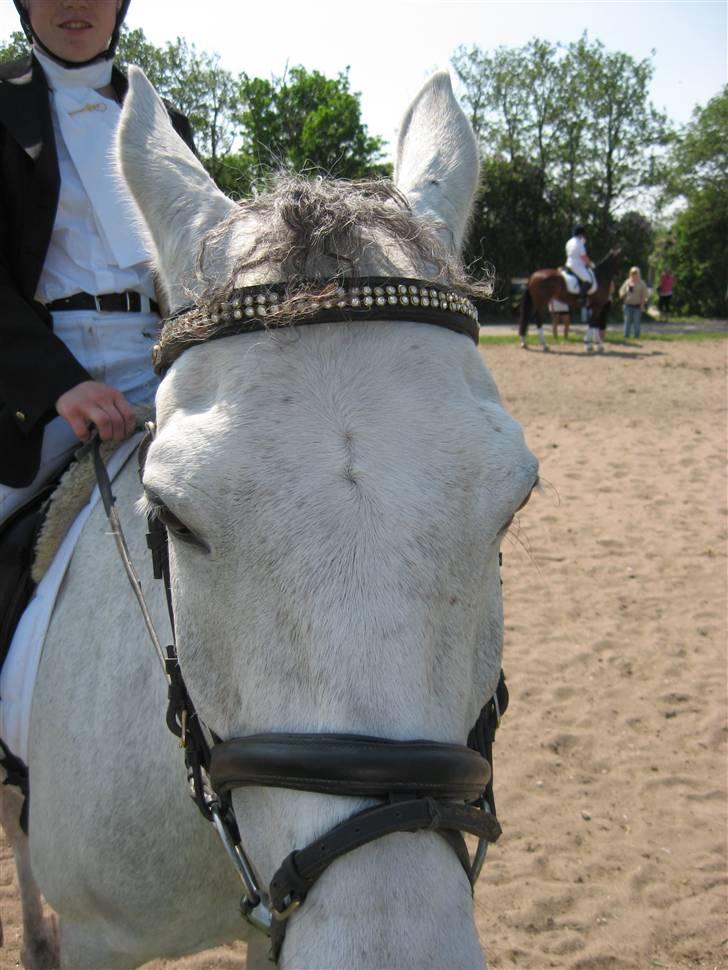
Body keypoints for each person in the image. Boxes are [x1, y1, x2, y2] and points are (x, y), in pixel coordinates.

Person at [0, 0, 196, 527]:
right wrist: (59, 383)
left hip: (163, 362)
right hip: (41, 382)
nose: (74, 5)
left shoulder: (163, 120)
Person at [564, 224, 595, 323]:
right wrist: (591, 264)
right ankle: (581, 299)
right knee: (588, 280)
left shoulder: (569, 241)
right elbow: (583, 257)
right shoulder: (579, 243)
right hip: (576, 265)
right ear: (581, 233)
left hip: (568, 264)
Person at [619, 266, 649, 339]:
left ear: (638, 274)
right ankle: (626, 335)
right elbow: (621, 292)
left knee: (636, 322)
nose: (634, 274)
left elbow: (645, 295)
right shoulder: (627, 282)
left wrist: (642, 305)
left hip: (637, 306)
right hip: (627, 305)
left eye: (636, 273)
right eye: (632, 273)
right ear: (630, 273)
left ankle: (637, 336)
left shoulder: (642, 283)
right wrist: (625, 293)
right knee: (627, 321)